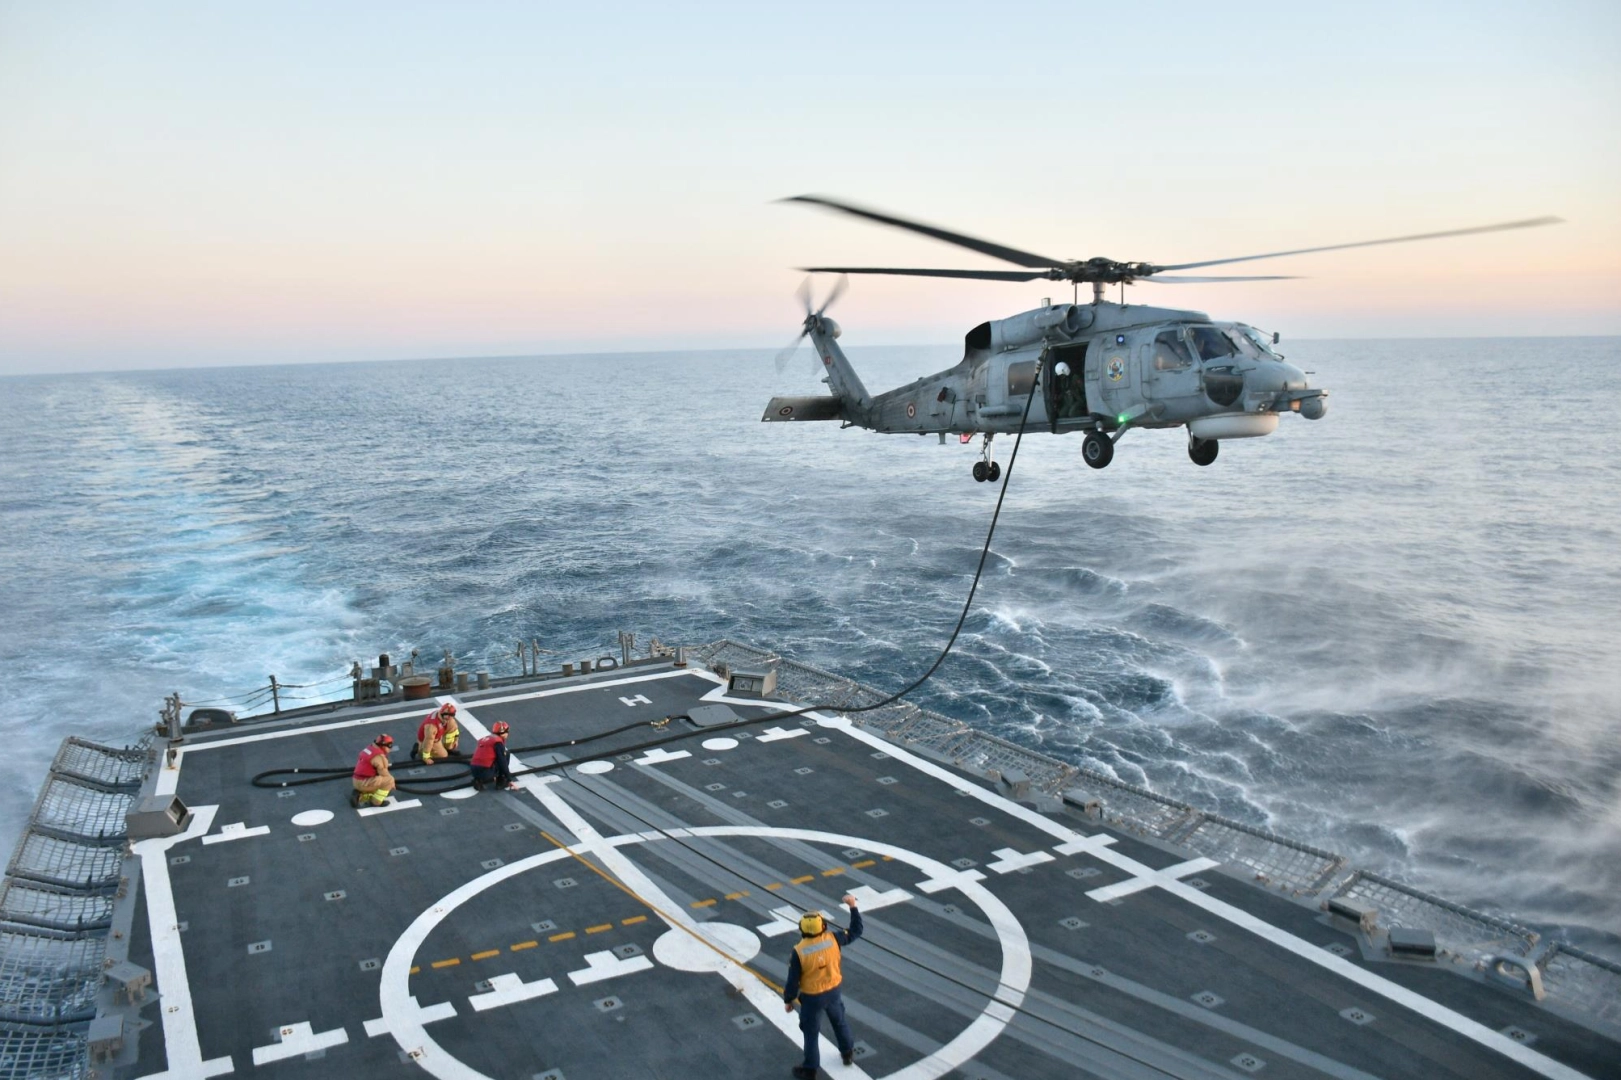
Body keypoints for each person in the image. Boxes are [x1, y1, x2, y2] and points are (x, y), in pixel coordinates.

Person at [782, 894, 862, 1078]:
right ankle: (847, 1053)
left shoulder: (799, 951)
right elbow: (856, 930)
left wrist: (788, 1000)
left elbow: (792, 981)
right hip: (833, 991)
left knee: (811, 1033)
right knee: (839, 1021)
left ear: (802, 929)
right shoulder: (834, 938)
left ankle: (810, 1069)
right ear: (823, 926)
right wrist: (853, 906)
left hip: (812, 997)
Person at [470, 721, 519, 791]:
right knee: (506, 754)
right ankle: (501, 780)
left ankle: (477, 780)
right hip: (485, 772)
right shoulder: (498, 742)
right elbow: (502, 762)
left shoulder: (484, 739)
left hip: (473, 770)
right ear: (503, 732)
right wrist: (509, 779)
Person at [351, 733, 397, 808]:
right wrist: (392, 783)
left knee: (379, 781)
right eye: (390, 745)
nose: (390, 748)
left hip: (356, 780)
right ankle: (376, 802)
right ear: (383, 746)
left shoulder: (370, 748)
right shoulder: (379, 757)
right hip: (365, 782)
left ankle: (361, 796)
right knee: (389, 781)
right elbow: (384, 773)